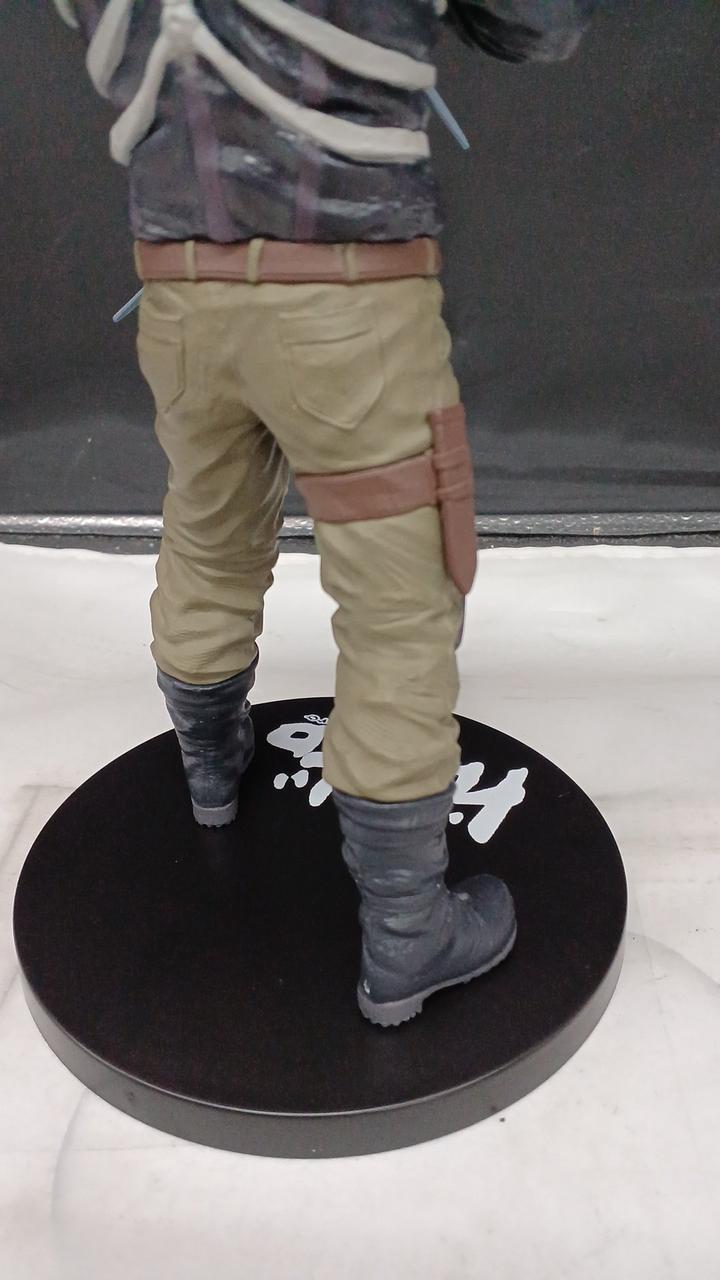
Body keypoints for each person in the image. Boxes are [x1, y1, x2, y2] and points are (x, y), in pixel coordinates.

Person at [54, 0, 596, 1026]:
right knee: (398, 604)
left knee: (208, 532)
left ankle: (212, 773)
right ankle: (407, 931)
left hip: (178, 288)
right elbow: (540, 22)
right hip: (348, 292)